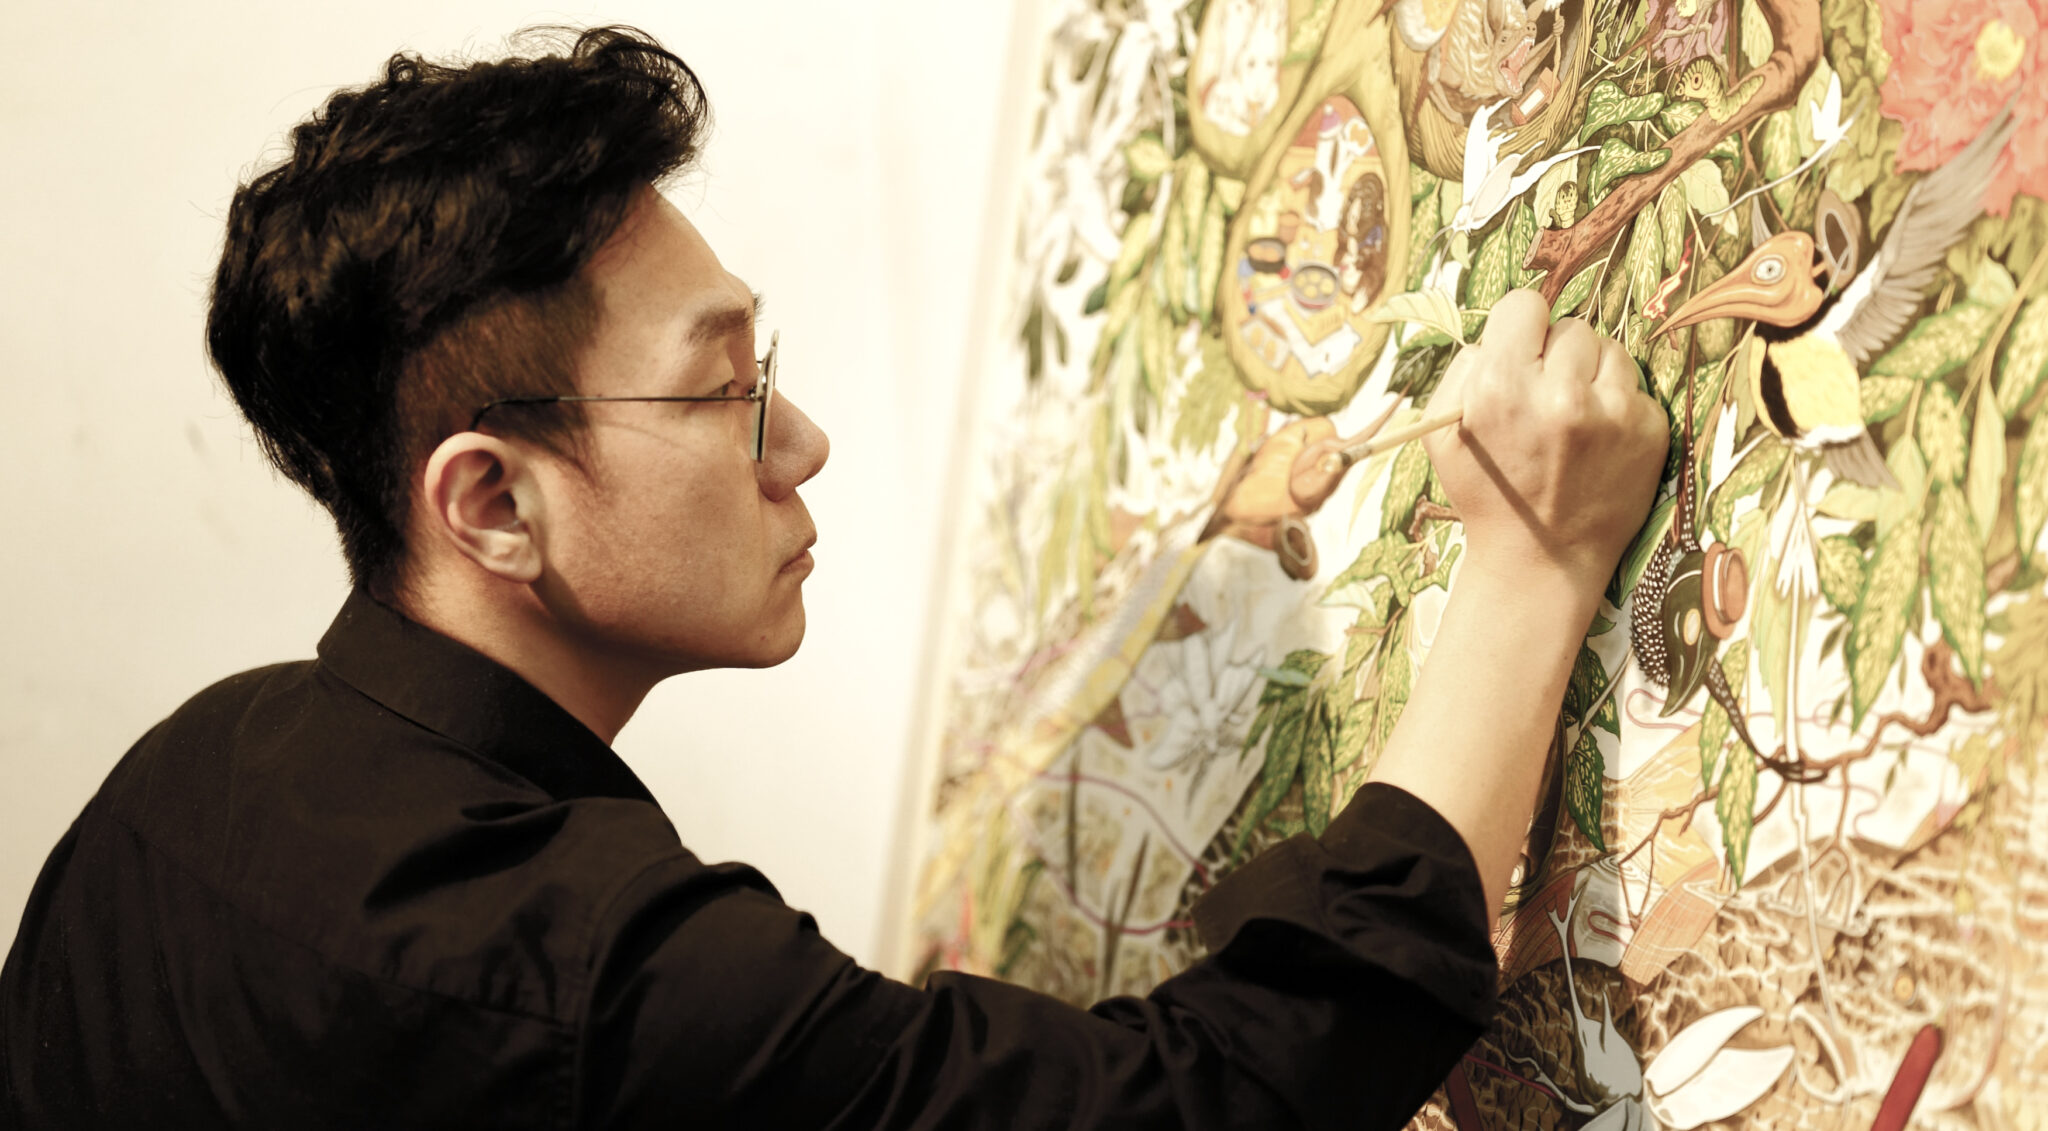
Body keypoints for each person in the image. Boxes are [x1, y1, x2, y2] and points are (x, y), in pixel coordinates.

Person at [0, 25, 1667, 1130]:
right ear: (492, 503)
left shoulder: (179, 777)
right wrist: (1530, 570)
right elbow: (1212, 1107)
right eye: (725, 388)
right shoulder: (601, 973)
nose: (799, 440)